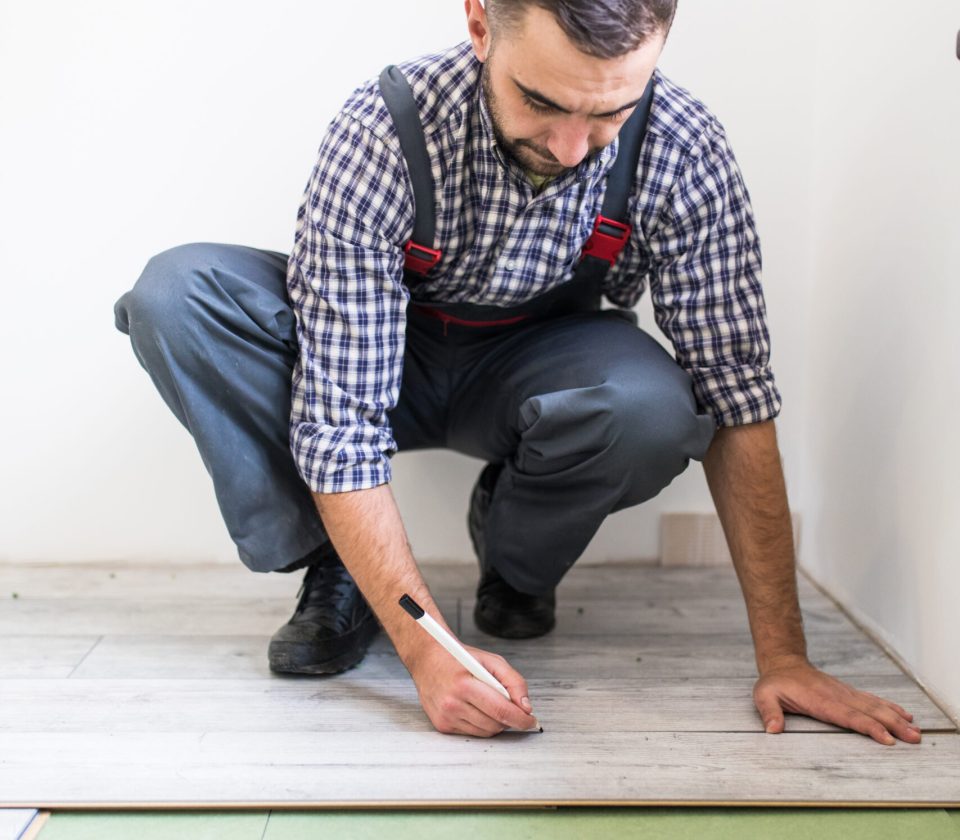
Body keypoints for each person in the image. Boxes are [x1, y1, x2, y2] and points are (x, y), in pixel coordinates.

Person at [113, 0, 922, 746]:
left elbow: (736, 394)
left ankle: (516, 557)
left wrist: (785, 656)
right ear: (479, 24)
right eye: (541, 101)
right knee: (178, 295)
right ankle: (342, 571)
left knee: (656, 407)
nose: (572, 148)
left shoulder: (682, 147)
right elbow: (338, 422)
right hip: (374, 355)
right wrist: (428, 652)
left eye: (610, 111)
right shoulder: (385, 131)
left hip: (535, 368)